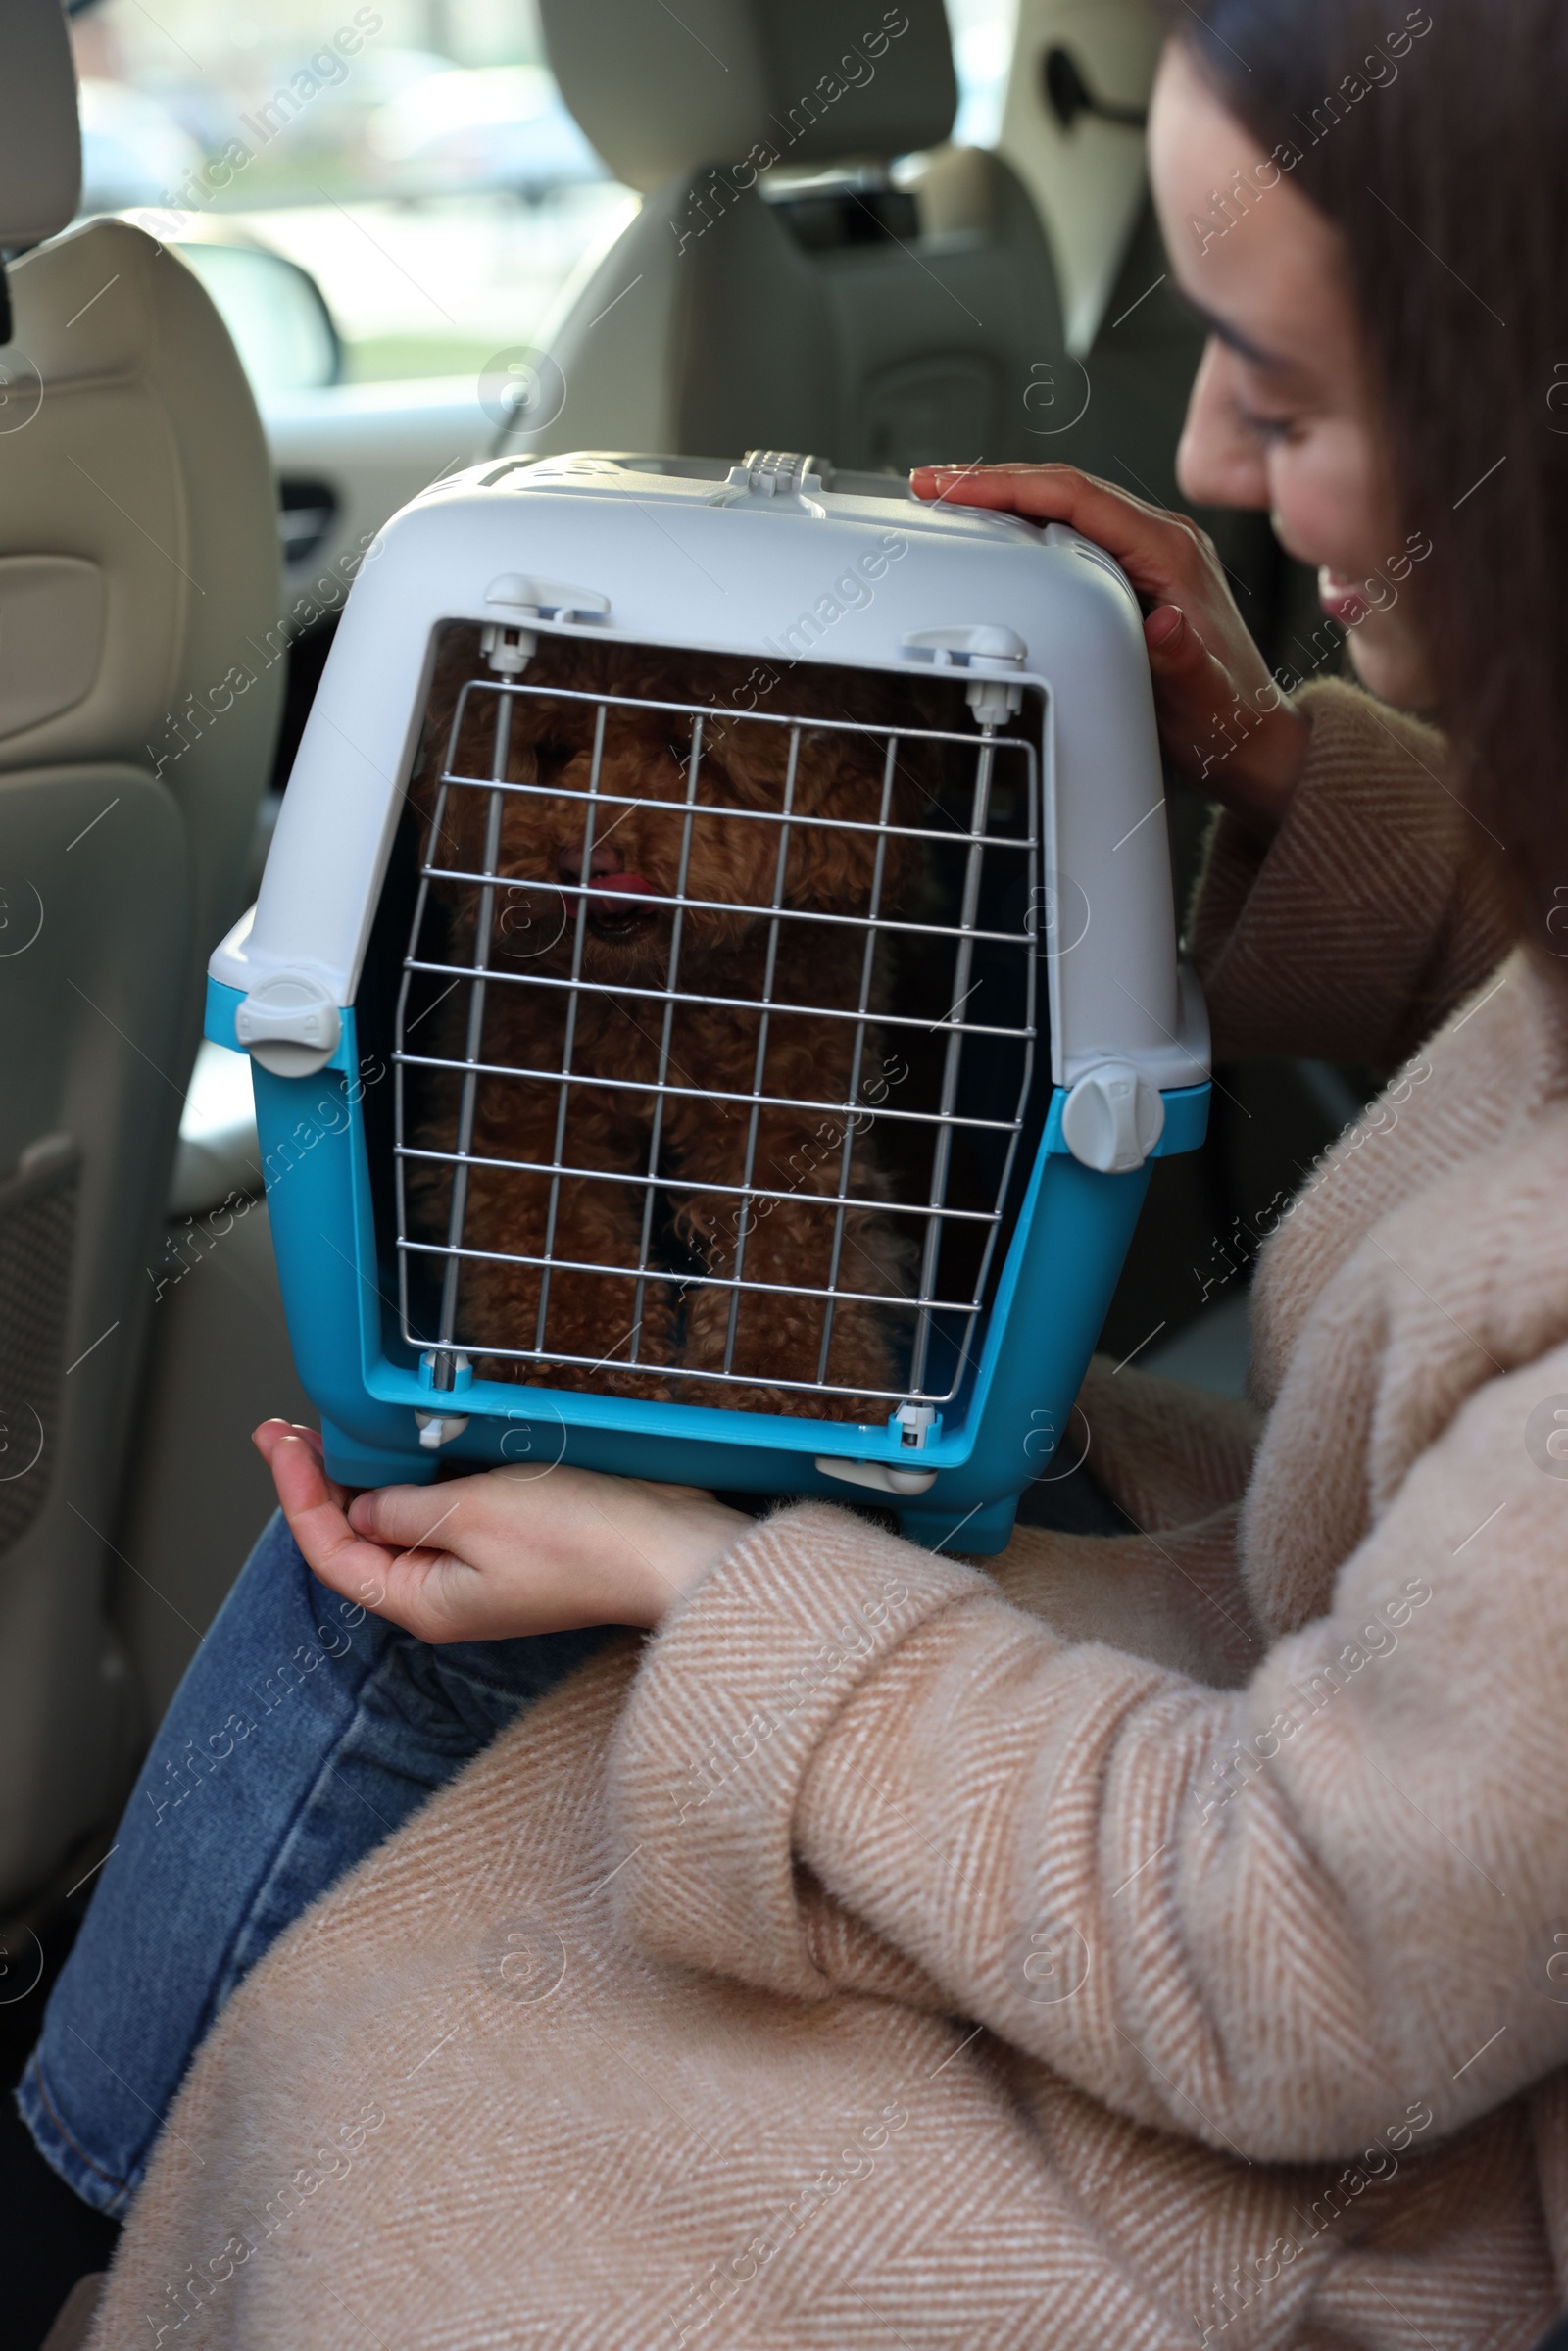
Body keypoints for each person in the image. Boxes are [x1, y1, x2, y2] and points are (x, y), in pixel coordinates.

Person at [23, 0, 1568, 2340]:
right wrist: (1257, 769)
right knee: (450, 1526)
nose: (1204, 452)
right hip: (1299, 1659)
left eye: (1286, 376)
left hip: (1354, 2132)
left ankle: (82, 2213)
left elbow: (1304, 1967)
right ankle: (86, 2201)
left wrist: (689, 1582)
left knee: (408, 2033)